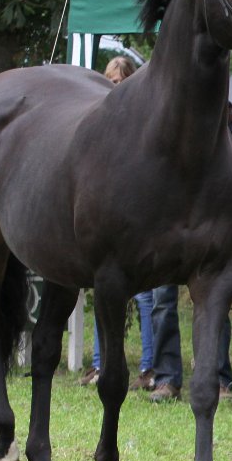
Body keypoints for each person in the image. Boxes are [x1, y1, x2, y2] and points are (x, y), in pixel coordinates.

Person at [147, 103, 232, 404]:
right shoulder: (163, 118)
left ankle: (218, 379)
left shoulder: (224, 118)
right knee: (162, 302)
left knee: (215, 304)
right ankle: (166, 378)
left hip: (209, 225)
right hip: (166, 224)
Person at [79, 56, 157, 391]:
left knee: (144, 301)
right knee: (104, 296)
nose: (114, 88)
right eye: (109, 82)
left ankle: (148, 366)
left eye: (119, 81)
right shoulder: (102, 121)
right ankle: (99, 364)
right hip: (112, 229)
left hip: (144, 229)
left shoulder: (143, 121)